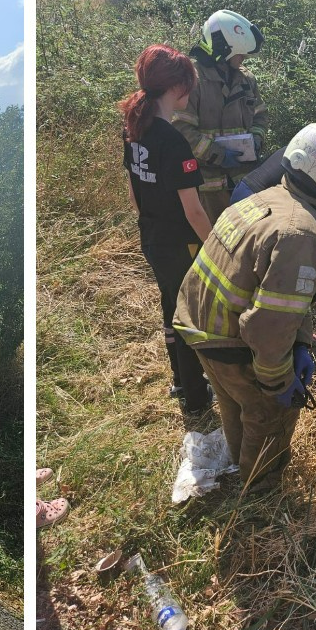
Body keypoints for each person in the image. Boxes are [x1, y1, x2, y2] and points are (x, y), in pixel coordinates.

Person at [175, 123, 316, 494]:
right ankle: (260, 493)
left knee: (233, 403)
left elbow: (286, 295)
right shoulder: (303, 233)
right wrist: (276, 382)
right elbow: (268, 326)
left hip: (199, 322)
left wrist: (303, 343)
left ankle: (239, 461)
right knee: (267, 415)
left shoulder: (266, 197)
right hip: (230, 338)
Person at [121, 44, 212, 414]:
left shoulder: (132, 127)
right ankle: (195, 397)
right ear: (176, 88)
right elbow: (193, 210)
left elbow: (133, 189)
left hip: (153, 236)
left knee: (169, 304)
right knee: (187, 312)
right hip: (181, 242)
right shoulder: (175, 142)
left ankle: (178, 378)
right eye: (188, 85)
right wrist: (218, 245)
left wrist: (150, 222)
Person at [173, 9, 268, 224]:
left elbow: (261, 115)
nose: (243, 58)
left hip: (243, 181)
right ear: (224, 48)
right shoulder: (192, 80)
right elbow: (181, 129)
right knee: (213, 244)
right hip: (208, 186)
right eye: (240, 53)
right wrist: (218, 154)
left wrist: (256, 139)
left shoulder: (246, 79)